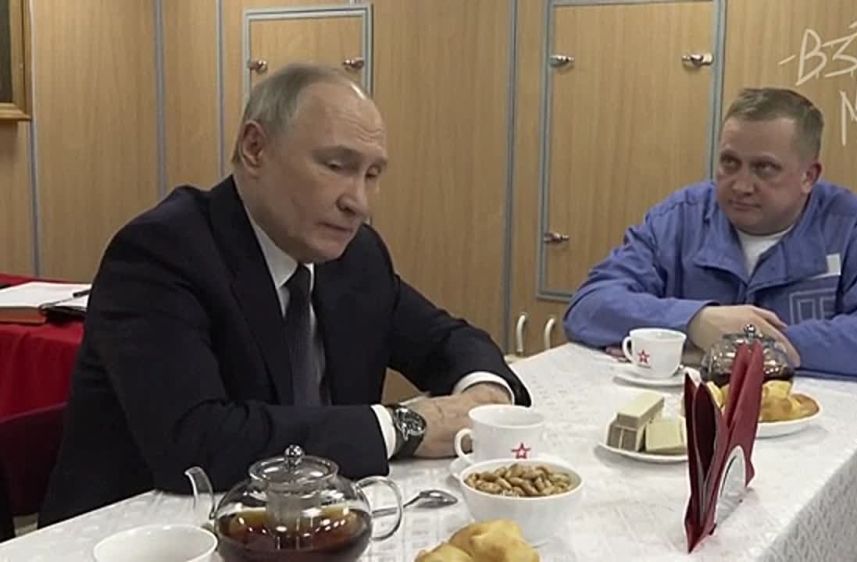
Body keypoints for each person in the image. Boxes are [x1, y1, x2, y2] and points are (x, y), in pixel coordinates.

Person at [41, 63, 530, 524]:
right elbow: (195, 442)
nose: (359, 203)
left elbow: (448, 340)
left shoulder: (356, 256)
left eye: (372, 175)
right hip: (142, 535)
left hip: (312, 525)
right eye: (336, 165)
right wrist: (403, 426)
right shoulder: (161, 252)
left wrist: (484, 396)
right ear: (255, 148)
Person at [563, 87, 857, 385]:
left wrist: (737, 349)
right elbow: (589, 307)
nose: (741, 185)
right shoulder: (679, 218)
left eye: (764, 168)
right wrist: (696, 322)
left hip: (808, 427)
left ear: (808, 176)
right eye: (729, 163)